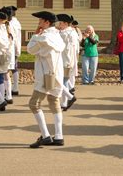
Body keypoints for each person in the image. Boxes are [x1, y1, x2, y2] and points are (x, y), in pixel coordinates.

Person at [27, 11, 66, 148]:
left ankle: (45, 135)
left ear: (47, 23)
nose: (38, 23)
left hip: (45, 75)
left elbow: (30, 49)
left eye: (40, 21)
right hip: (56, 75)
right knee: (54, 101)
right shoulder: (57, 36)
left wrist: (36, 34)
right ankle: (59, 135)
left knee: (34, 104)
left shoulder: (43, 38)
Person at [57, 14, 78, 111]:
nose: (59, 25)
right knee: (63, 81)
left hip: (65, 61)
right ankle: (65, 101)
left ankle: (67, 100)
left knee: (62, 82)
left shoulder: (66, 33)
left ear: (66, 23)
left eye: (61, 23)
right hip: (67, 60)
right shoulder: (71, 32)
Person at [0, 7, 17, 105]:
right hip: (8, 53)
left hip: (3, 53)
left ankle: (3, 96)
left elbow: (1, 42)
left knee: (2, 75)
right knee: (5, 74)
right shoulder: (8, 25)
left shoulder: (4, 27)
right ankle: (7, 96)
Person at [7, 6, 22, 96]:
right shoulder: (16, 23)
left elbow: (14, 38)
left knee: (7, 69)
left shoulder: (11, 24)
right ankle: (15, 88)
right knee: (14, 68)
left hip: (11, 48)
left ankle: (8, 90)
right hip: (15, 48)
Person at [70, 19, 82, 93]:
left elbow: (80, 39)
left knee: (74, 68)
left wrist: (78, 31)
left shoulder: (77, 31)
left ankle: (72, 85)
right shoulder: (69, 31)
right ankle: (70, 86)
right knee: (70, 70)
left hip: (75, 51)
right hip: (71, 52)